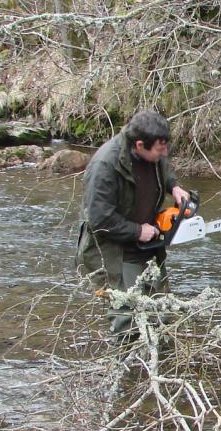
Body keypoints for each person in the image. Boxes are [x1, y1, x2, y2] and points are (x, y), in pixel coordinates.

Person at [76, 110, 189, 333]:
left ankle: (157, 362)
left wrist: (173, 186)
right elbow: (98, 218)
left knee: (159, 311)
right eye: (159, 149)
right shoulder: (106, 165)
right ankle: (126, 365)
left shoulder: (153, 150)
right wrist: (137, 231)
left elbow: (163, 166)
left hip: (146, 244)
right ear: (139, 145)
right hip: (113, 250)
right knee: (126, 319)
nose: (164, 152)